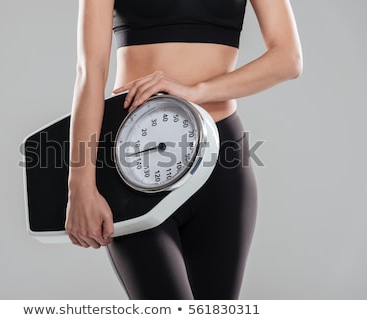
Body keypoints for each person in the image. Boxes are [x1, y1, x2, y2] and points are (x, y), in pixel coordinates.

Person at [65, 0, 302, 299]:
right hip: (134, 165)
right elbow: (90, 72)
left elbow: (288, 58)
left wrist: (196, 91)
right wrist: (80, 184)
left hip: (221, 160)